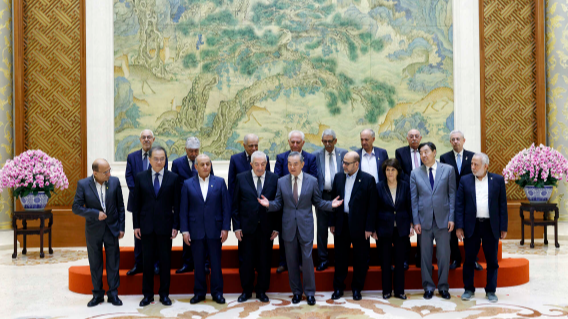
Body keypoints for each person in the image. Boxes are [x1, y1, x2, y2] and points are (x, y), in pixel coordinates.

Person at [258, 151, 343, 306]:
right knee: (291, 261)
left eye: (295, 164)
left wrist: (331, 205)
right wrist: (269, 205)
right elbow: (278, 203)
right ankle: (296, 292)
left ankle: (310, 293)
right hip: (288, 226)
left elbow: (318, 202)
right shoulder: (281, 181)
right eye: (289, 164)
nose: (292, 167)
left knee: (308, 260)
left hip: (305, 226)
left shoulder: (312, 181)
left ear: (302, 164)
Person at [72, 159, 125, 307]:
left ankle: (113, 294)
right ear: (95, 173)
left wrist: (121, 228)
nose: (109, 173)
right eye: (105, 172)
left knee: (113, 263)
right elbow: (76, 207)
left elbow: (120, 206)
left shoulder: (114, 182)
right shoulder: (83, 184)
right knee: (95, 263)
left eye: (109, 170)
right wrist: (95, 213)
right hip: (93, 230)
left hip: (112, 229)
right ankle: (97, 294)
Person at [456, 153, 508, 303]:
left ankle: (491, 290)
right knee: (469, 259)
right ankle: (468, 289)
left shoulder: (497, 180)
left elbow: (502, 205)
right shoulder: (465, 180)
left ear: (486, 166)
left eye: (476, 164)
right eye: (472, 164)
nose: (472, 167)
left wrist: (503, 226)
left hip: (491, 226)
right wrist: (459, 227)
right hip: (471, 225)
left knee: (492, 260)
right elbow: (459, 205)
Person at [132, 146, 180, 307]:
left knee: (166, 262)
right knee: (147, 263)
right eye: (156, 159)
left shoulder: (173, 178)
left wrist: (176, 225)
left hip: (165, 227)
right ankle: (147, 295)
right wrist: (136, 225)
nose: (159, 162)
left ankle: (164, 294)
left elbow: (177, 204)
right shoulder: (140, 177)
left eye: (162, 159)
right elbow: (136, 204)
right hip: (146, 227)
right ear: (150, 160)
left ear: (165, 160)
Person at [180, 154, 231, 305]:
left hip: (215, 230)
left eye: (208, 164)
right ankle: (199, 293)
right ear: (196, 167)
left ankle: (217, 293)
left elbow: (225, 208)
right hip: (195, 231)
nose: (205, 167)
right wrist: (185, 231)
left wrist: (225, 228)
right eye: (202, 164)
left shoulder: (220, 182)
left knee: (216, 264)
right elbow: (184, 209)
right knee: (198, 264)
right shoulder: (188, 184)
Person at [232, 151, 279, 303]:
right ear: (251, 164)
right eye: (257, 164)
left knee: (264, 261)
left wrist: (277, 227)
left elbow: (279, 205)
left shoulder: (274, 179)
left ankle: (261, 290)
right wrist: (237, 227)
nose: (260, 167)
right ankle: (246, 290)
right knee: (247, 261)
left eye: (263, 164)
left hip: (267, 228)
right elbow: (235, 204)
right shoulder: (241, 178)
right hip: (246, 228)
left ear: (266, 164)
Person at [410, 142, 455, 300]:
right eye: (421, 153)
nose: (423, 155)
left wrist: (452, 218)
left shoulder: (448, 170)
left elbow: (452, 196)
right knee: (425, 256)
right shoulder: (415, 173)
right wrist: (416, 221)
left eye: (426, 152)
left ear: (434, 152)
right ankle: (428, 287)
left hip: (443, 220)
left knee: (444, 255)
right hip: (424, 221)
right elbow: (414, 200)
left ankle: (443, 287)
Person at [329, 151, 376, 301]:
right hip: (341, 224)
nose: (343, 165)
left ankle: (357, 289)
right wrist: (332, 223)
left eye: (347, 163)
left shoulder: (368, 180)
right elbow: (333, 201)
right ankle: (338, 288)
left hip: (360, 227)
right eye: (343, 162)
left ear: (356, 164)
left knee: (360, 259)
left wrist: (369, 227)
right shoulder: (338, 177)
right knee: (340, 257)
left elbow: (372, 207)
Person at [273, 130, 318, 273]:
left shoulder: (310, 158)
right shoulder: (281, 157)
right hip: (285, 202)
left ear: (303, 143)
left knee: (301, 235)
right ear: (288, 142)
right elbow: (276, 178)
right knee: (285, 234)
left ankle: (299, 263)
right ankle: (283, 261)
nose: (295, 144)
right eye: (292, 142)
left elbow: (313, 178)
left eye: (298, 142)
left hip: (302, 201)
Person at [125, 129, 168, 276]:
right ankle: (139, 264)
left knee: (155, 235)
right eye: (144, 137)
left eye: (149, 137)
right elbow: (129, 177)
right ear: (140, 140)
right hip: (139, 203)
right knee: (139, 235)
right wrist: (140, 194)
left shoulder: (161, 156)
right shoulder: (132, 157)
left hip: (157, 204)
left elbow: (164, 178)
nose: (146, 139)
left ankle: (155, 264)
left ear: (154, 139)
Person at [440, 130, 482, 271]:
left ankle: (473, 259)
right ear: (450, 142)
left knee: (471, 231)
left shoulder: (472, 156)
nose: (455, 141)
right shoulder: (444, 157)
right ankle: (456, 259)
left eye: (458, 139)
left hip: (469, 198)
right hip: (451, 199)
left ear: (464, 141)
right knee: (452, 231)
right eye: (453, 139)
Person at [171, 137, 214, 274]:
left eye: (196, 151)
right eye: (191, 151)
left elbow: (211, 179)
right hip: (184, 203)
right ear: (185, 150)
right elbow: (174, 184)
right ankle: (188, 262)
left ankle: (205, 263)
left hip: (201, 203)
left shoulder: (205, 162)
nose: (194, 154)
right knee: (186, 233)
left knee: (204, 233)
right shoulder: (177, 164)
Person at [373, 158, 413, 300]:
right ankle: (386, 291)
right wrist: (373, 229)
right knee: (385, 261)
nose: (390, 173)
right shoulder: (378, 187)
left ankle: (399, 291)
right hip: (384, 228)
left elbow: (409, 206)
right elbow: (374, 209)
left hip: (401, 228)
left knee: (400, 260)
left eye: (393, 170)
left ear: (398, 171)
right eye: (388, 170)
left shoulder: (405, 186)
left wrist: (412, 224)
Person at [313, 129, 347, 271]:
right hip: (323, 196)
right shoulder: (315, 156)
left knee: (339, 228)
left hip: (340, 196)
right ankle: (323, 259)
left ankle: (339, 258)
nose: (327, 144)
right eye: (325, 141)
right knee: (322, 230)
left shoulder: (344, 154)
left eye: (330, 141)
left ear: (335, 141)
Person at [395, 129, 422, 269]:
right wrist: (414, 181)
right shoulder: (400, 152)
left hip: (423, 194)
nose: (414, 139)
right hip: (406, 191)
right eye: (411, 136)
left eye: (416, 136)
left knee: (421, 227)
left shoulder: (425, 150)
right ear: (407, 138)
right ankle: (405, 259)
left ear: (420, 138)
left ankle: (421, 258)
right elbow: (400, 171)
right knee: (406, 226)